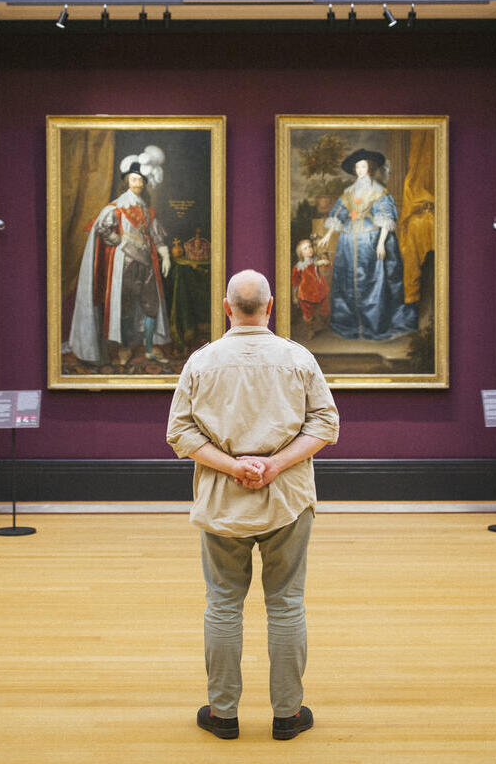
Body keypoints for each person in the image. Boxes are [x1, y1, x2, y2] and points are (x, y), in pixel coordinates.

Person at [166, 270, 339, 741]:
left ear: (227, 307)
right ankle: (288, 714)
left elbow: (179, 433)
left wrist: (232, 466)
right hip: (287, 500)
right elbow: (326, 423)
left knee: (223, 605)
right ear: (270, 307)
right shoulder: (297, 358)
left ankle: (223, 715)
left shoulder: (202, 363)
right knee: (286, 605)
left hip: (224, 501)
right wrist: (276, 465)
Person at [68, 154, 172, 365]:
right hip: (124, 263)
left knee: (150, 305)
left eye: (141, 180)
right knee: (124, 307)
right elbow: (103, 228)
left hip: (146, 264)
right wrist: (116, 239)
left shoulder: (148, 210)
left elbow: (156, 235)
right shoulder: (116, 208)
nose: (138, 184)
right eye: (134, 179)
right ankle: (123, 349)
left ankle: (150, 348)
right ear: (126, 181)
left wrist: (166, 255)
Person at [319, 148, 417, 340]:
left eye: (363, 166)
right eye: (357, 167)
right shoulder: (349, 192)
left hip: (370, 240)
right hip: (348, 240)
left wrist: (381, 243)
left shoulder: (379, 191)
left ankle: (374, 324)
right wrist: (328, 234)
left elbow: (386, 218)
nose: (360, 170)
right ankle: (350, 324)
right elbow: (340, 214)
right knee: (347, 281)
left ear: (370, 168)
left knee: (373, 281)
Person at [292, 238, 330, 339]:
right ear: (300, 253)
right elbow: (295, 283)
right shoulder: (298, 267)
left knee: (324, 311)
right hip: (306, 294)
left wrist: (325, 263)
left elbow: (326, 269)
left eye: (310, 246)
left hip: (320, 291)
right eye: (305, 248)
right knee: (308, 314)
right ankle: (310, 330)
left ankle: (325, 325)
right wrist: (294, 296)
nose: (309, 249)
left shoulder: (317, 260)